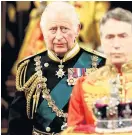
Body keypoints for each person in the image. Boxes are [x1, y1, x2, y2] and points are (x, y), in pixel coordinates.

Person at [8, 2, 105, 135]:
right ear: (43, 31)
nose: (59, 37)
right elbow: (18, 127)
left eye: (65, 29)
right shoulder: (29, 68)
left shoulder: (100, 64)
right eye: (53, 29)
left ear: (77, 29)